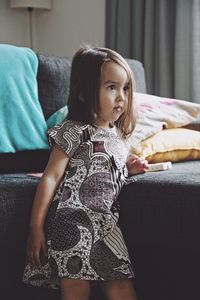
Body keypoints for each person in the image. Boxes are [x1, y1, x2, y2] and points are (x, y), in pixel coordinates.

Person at [23, 45, 148, 300]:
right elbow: (51, 176)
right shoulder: (74, 130)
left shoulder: (120, 138)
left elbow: (109, 174)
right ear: (83, 93)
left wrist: (128, 168)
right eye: (111, 87)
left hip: (106, 226)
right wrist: (35, 227)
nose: (121, 97)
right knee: (76, 287)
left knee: (121, 286)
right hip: (72, 223)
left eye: (125, 88)